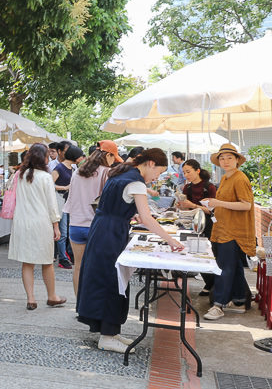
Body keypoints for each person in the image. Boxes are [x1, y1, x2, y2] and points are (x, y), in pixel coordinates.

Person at [76, 148, 184, 353]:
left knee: (106, 278)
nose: (156, 177)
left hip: (103, 228)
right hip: (111, 233)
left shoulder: (121, 172)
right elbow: (146, 217)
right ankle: (107, 337)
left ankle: (110, 331)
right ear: (151, 163)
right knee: (111, 280)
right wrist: (171, 240)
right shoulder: (136, 181)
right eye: (158, 172)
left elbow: (118, 205)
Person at [8, 143, 66, 309]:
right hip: (41, 222)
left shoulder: (20, 174)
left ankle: (31, 299)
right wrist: (56, 225)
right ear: (43, 157)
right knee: (47, 262)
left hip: (22, 222)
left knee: (27, 263)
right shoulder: (45, 177)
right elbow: (51, 203)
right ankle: (52, 296)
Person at [203, 144, 255, 320]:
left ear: (237, 160)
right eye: (222, 158)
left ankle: (219, 304)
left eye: (229, 158)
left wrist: (218, 203)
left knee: (224, 267)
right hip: (223, 227)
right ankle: (239, 301)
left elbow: (246, 205)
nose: (225, 161)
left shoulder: (240, 178)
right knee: (234, 266)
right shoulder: (226, 177)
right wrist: (214, 204)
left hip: (234, 230)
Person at [64, 143, 120, 297]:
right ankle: (93, 305)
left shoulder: (78, 172)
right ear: (107, 155)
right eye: (113, 157)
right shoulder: (106, 172)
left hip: (75, 225)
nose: (114, 161)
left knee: (78, 267)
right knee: (98, 268)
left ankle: (79, 305)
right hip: (96, 226)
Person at [176, 158, 217, 295]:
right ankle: (209, 282)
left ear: (197, 171)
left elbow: (212, 210)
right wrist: (181, 205)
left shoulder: (209, 187)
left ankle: (212, 283)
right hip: (192, 223)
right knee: (195, 252)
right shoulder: (187, 187)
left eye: (188, 172)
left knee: (207, 253)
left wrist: (192, 205)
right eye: (184, 172)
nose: (186, 175)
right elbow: (187, 208)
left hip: (208, 223)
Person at [52, 144, 83, 269]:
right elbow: (49, 184)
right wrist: (65, 187)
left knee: (69, 231)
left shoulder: (73, 168)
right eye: (80, 156)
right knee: (63, 232)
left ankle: (67, 255)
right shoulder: (59, 168)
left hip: (70, 202)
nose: (82, 158)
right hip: (61, 201)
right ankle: (62, 259)